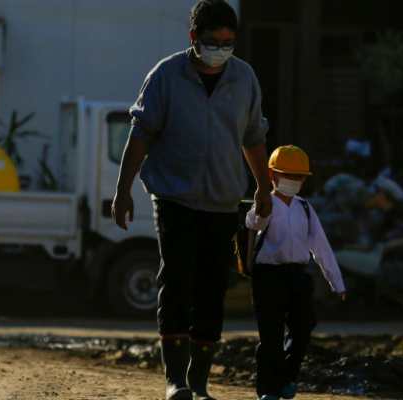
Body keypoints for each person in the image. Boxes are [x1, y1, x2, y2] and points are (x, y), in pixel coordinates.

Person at [111, 1, 272, 399]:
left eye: (228, 42)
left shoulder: (245, 78)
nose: (220, 49)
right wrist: (122, 189)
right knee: (177, 280)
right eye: (212, 41)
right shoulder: (166, 76)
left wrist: (264, 190)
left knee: (212, 288)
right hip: (174, 197)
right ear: (193, 39)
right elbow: (141, 134)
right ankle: (175, 381)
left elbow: (254, 138)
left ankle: (199, 382)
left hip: (222, 199)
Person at [245, 145, 347, 400]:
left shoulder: (304, 208)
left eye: (299, 177)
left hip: (297, 276)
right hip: (268, 277)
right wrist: (261, 207)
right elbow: (252, 223)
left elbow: (321, 246)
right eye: (288, 176)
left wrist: (337, 282)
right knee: (271, 336)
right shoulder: (265, 202)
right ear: (272, 176)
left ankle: (286, 377)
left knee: (303, 329)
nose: (294, 181)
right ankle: (268, 390)